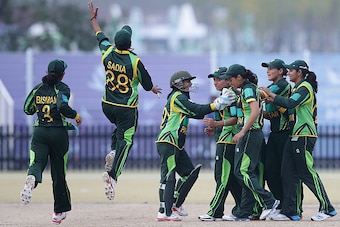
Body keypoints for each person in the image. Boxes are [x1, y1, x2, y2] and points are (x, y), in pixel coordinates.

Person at [88, 2, 162, 200]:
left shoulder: (107, 52)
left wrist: (94, 19)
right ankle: (113, 177)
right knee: (126, 141)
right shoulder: (134, 60)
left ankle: (113, 150)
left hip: (107, 105)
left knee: (119, 132)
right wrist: (153, 88)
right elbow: (147, 84)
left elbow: (99, 36)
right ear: (130, 43)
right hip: (126, 108)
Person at [260, 60, 337, 221]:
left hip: (304, 134)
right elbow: (288, 108)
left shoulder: (305, 87)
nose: (288, 73)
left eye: (291, 70)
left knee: (306, 172)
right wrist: (273, 101)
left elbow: (290, 103)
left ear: (299, 72)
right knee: (287, 172)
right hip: (295, 134)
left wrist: (271, 94)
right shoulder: (297, 88)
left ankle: (328, 207)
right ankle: (291, 211)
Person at [155, 70, 236, 221]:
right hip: (168, 140)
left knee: (189, 173)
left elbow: (198, 114)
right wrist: (217, 104)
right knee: (168, 175)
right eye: (187, 81)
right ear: (178, 83)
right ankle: (164, 212)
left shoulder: (183, 98)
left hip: (176, 144)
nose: (190, 84)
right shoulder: (177, 96)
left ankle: (175, 205)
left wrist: (214, 107)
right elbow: (197, 110)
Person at [20, 59, 82, 224]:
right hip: (58, 134)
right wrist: (75, 116)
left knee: (37, 163)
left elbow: (27, 108)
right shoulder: (63, 88)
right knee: (58, 173)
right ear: (62, 74)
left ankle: (32, 179)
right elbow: (62, 106)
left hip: (40, 132)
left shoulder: (38, 88)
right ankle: (58, 212)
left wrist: (39, 108)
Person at [223, 64, 280, 221]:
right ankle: (244, 212)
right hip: (252, 134)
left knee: (242, 172)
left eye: (230, 79)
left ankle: (269, 201)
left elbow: (254, 111)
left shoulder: (248, 89)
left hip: (250, 134)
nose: (229, 82)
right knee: (246, 172)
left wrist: (242, 131)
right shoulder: (248, 89)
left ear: (239, 77)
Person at [198, 67, 242, 221]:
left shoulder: (229, 93)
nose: (215, 82)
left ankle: (214, 211)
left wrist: (216, 124)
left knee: (222, 177)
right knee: (228, 178)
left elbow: (236, 119)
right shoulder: (228, 93)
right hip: (225, 138)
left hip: (227, 140)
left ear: (228, 79)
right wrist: (216, 129)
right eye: (214, 79)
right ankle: (243, 208)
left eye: (218, 79)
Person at [260, 59, 293, 213]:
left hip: (286, 133)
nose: (268, 71)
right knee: (270, 169)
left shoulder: (281, 85)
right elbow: (271, 114)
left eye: (271, 68)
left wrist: (243, 91)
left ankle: (291, 208)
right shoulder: (274, 86)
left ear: (281, 71)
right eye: (267, 69)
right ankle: (279, 204)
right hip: (275, 134)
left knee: (285, 172)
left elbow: (261, 93)